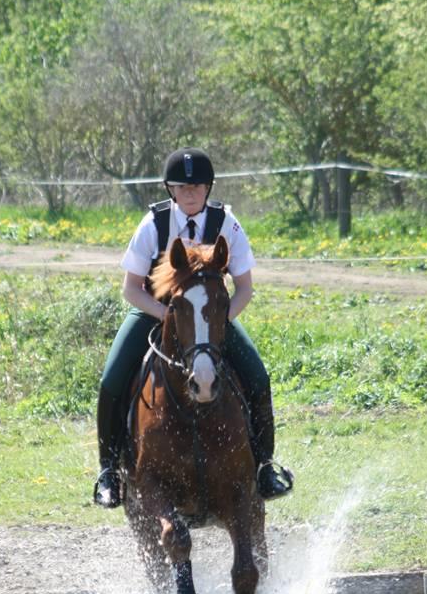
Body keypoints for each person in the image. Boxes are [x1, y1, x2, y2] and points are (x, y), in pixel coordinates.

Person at [93, 147, 294, 508]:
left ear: (208, 188)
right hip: (155, 310)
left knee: (258, 377)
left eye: (198, 187)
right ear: (170, 190)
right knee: (111, 380)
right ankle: (109, 472)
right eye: (182, 188)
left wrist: (215, 325)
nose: (190, 194)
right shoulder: (153, 223)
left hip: (212, 320)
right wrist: (167, 317)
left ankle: (265, 466)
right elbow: (130, 288)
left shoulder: (226, 223)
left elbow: (245, 288)